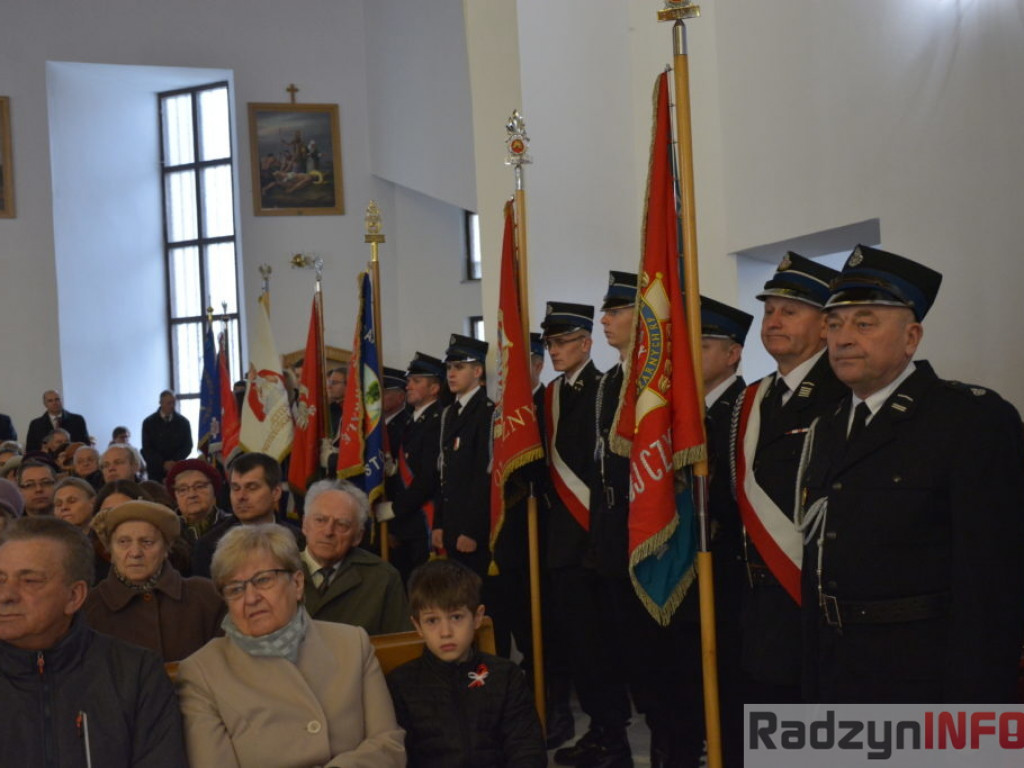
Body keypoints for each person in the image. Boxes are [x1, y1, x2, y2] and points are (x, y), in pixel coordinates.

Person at [797, 244, 1024, 702]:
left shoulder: (969, 419)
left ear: (911, 337)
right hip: (835, 665)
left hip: (925, 672)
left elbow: (993, 579)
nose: (841, 339)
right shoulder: (826, 426)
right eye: (834, 324)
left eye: (864, 323)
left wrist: (977, 700)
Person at [176, 523, 406, 768]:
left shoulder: (352, 644)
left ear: (297, 584)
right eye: (235, 589)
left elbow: (388, 745)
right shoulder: (202, 672)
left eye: (263, 580)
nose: (251, 598)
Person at [729, 252, 845, 706]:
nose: (773, 321)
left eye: (790, 312)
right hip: (758, 594)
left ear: (823, 327)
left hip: (813, 595)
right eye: (769, 311)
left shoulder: (842, 393)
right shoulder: (753, 398)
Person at [0, 516, 188, 766]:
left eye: (30, 581)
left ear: (74, 596)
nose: (5, 595)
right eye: (0, 579)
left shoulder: (135, 673)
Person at [541, 299, 632, 768]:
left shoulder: (604, 389)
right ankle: (600, 728)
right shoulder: (550, 396)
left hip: (595, 544)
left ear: (584, 343)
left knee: (602, 650)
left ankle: (611, 733)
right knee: (578, 648)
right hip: (560, 544)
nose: (553, 351)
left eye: (560, 342)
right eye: (548, 343)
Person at [387, 559, 546, 768]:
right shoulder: (400, 684)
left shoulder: (506, 676)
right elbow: (398, 758)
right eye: (432, 620)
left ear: (477, 617)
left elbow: (527, 750)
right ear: (418, 625)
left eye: (456, 617)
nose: (445, 632)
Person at [84, 499, 224, 661]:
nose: (135, 552)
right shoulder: (90, 607)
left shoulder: (206, 597)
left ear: (166, 548)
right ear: (110, 551)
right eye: (123, 542)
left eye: (147, 542)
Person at [300, 478, 411, 635]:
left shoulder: (382, 578)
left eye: (341, 524)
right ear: (304, 524)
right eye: (320, 520)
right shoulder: (278, 569)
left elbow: (400, 647)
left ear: (358, 536)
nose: (328, 531)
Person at [434, 334, 495, 577]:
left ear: (478, 370)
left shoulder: (486, 412)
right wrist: (439, 522)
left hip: (472, 530)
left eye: (459, 367)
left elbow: (483, 476)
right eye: (449, 367)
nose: (451, 373)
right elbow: (444, 474)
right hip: (450, 524)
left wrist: (472, 530)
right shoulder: (450, 413)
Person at [191, 452, 303, 578]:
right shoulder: (209, 546)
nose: (241, 497)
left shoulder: (299, 541)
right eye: (235, 488)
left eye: (251, 487)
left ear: (276, 493)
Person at [384, 352, 444, 582]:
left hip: (422, 519)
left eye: (416, 381)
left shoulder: (437, 420)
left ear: (434, 388)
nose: (408, 386)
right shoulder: (414, 419)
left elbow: (428, 477)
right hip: (408, 521)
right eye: (409, 381)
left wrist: (396, 508)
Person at [53, 476, 109, 583]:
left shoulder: (105, 542)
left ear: (92, 503)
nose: (64, 507)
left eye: (72, 501)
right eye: (58, 504)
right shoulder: (51, 546)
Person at [165, 458, 231, 547]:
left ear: (214, 490)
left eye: (199, 486)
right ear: (175, 496)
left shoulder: (233, 525)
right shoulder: (167, 531)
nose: (191, 494)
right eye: (183, 489)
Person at [141, 390, 194, 482]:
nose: (172, 406)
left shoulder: (183, 422)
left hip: (177, 468)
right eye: (169, 403)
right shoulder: (148, 422)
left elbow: (188, 445)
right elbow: (147, 448)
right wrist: (162, 463)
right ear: (161, 403)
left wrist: (174, 461)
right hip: (155, 471)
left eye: (174, 403)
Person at [25, 389, 89, 451]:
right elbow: (30, 449)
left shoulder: (77, 420)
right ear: (45, 404)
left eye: (57, 399)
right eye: (50, 401)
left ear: (61, 401)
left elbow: (85, 445)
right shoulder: (36, 424)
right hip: (45, 459)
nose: (54, 403)